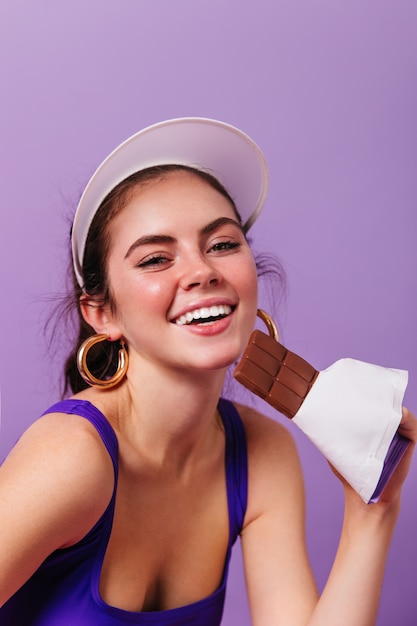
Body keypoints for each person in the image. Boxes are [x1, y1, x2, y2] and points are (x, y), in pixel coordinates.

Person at [0, 117, 415, 626]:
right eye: (156, 259)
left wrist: (374, 509)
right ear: (102, 314)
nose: (202, 271)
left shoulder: (262, 453)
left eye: (222, 244)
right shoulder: (72, 454)